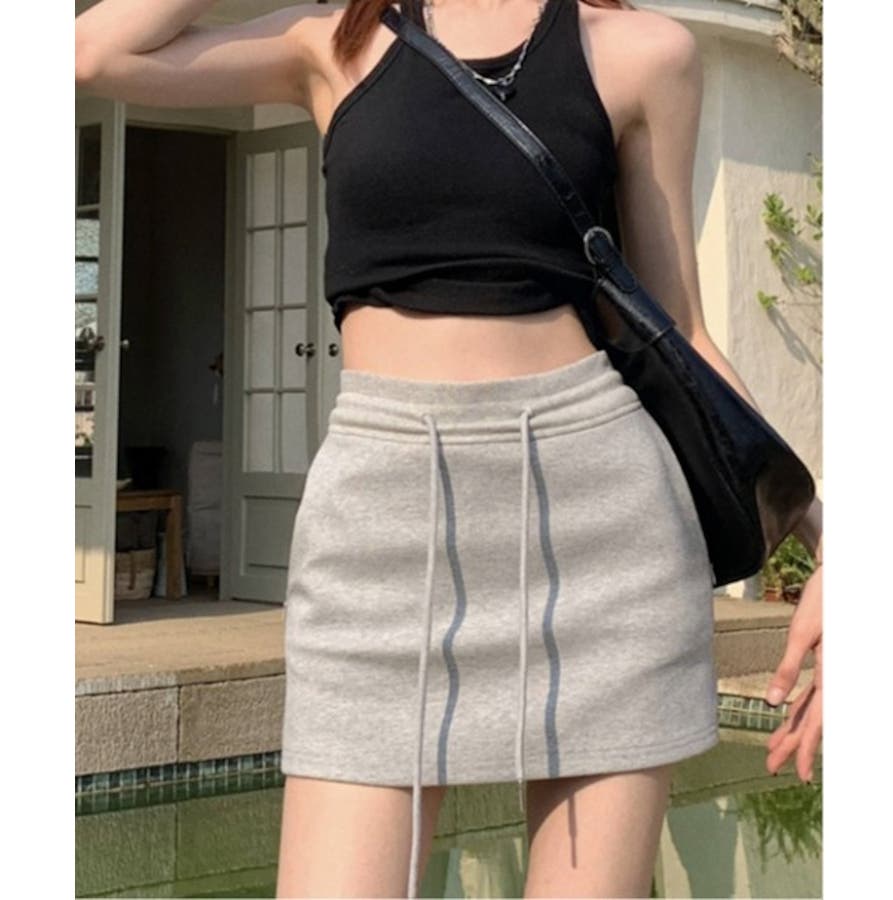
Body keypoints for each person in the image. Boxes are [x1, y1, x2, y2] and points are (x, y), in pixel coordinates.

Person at [75, 0, 824, 896]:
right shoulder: (335, 42)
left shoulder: (641, 52)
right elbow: (92, 54)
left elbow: (682, 332)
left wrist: (830, 540)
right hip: (379, 519)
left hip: (602, 527)